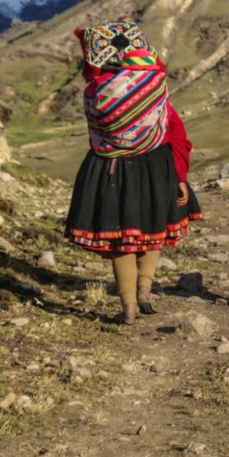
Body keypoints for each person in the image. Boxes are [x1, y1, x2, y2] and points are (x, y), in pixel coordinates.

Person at [64, 17, 202, 324]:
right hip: (156, 165)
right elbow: (176, 133)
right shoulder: (154, 87)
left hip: (109, 169)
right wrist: (180, 176)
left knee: (120, 238)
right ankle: (144, 289)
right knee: (154, 227)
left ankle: (127, 307)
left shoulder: (94, 93)